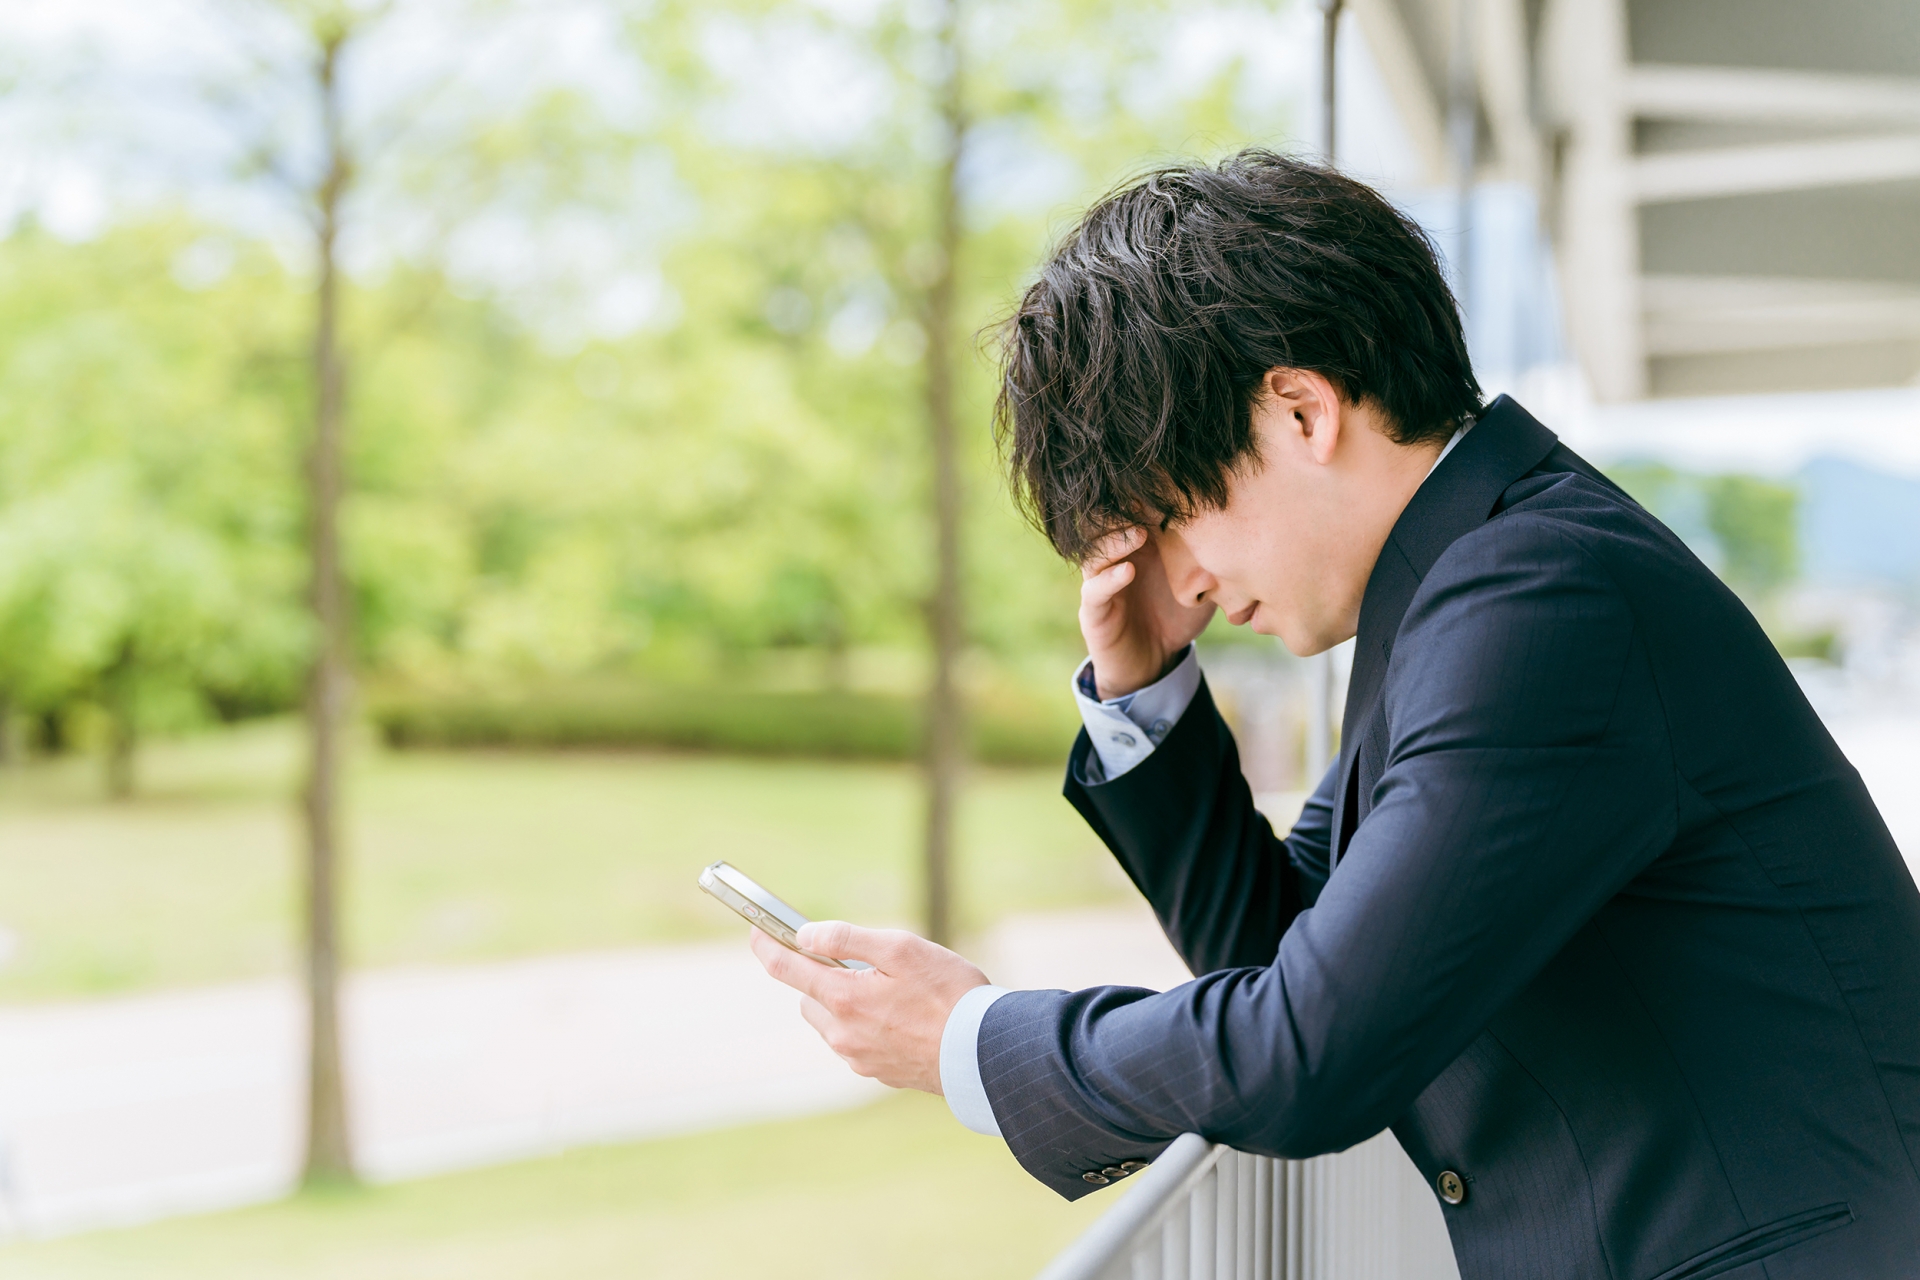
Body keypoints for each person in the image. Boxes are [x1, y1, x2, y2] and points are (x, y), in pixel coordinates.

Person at [749, 150, 1920, 1279]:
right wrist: (1144, 692)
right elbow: (1293, 955)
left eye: (1166, 516)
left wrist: (972, 1036)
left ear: (1300, 411)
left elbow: (1310, 1050)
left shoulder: (1540, 599)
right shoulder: (1471, 587)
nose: (1182, 576)